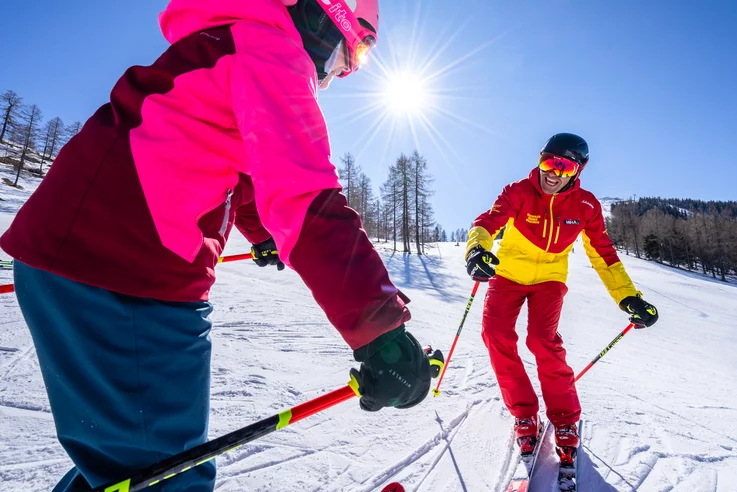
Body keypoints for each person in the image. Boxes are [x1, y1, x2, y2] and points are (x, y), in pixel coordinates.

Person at [1, 0, 433, 490]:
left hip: (94, 256)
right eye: (356, 51)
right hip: (122, 270)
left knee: (132, 466)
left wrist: (264, 235)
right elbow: (306, 196)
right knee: (165, 476)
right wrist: (382, 335)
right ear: (327, 16)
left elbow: (245, 173)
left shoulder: (238, 39)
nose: (348, 71)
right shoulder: (271, 50)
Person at [464, 133, 659, 462]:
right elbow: (486, 222)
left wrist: (629, 298)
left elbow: (604, 256)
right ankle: (524, 413)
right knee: (495, 335)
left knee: (542, 340)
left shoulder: (586, 206)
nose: (553, 173)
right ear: (539, 159)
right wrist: (477, 250)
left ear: (577, 170)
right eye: (548, 162)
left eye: (564, 166)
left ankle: (565, 421)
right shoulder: (519, 191)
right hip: (508, 274)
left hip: (550, 280)